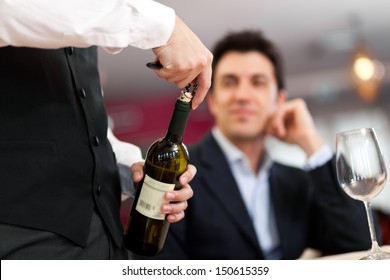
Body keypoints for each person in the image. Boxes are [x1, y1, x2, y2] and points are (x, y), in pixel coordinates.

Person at [0, 0, 212, 259]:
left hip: (107, 239)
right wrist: (165, 26)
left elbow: (86, 126)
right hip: (22, 237)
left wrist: (134, 172)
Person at [143, 30, 378, 260]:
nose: (243, 95)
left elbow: (361, 241)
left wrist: (312, 143)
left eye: (258, 82)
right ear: (212, 100)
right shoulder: (178, 173)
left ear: (279, 100)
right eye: (230, 82)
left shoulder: (296, 181)